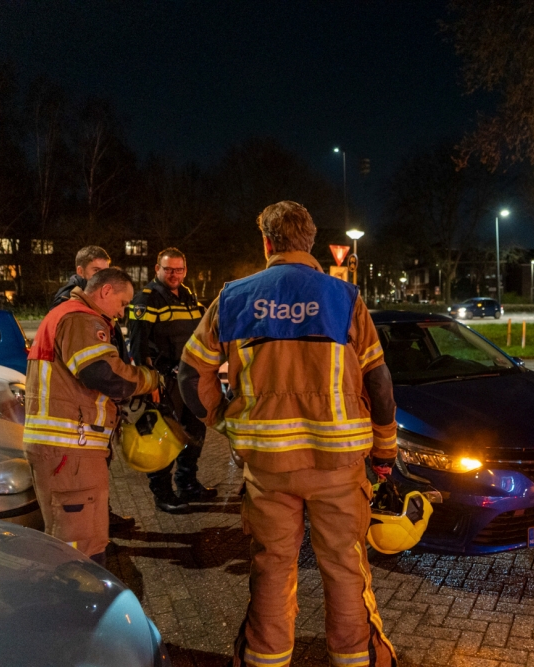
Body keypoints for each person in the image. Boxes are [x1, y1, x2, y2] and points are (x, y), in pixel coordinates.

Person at [179, 201, 398, 667]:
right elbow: (378, 380)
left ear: (267, 243)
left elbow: (188, 374)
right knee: (343, 567)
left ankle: (265, 659)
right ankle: (355, 659)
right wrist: (384, 449)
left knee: (272, 567)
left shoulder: (234, 297)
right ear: (311, 243)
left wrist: (223, 420)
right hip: (337, 466)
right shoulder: (345, 298)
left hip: (268, 468)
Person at [24, 268, 159, 564]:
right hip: (70, 449)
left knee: (86, 534)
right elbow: (104, 373)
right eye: (123, 303)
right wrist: (150, 380)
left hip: (69, 449)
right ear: (106, 291)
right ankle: (76, 605)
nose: (123, 313)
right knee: (78, 546)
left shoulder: (68, 315)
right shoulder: (80, 319)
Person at [126, 247, 213, 512]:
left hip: (190, 379)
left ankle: (187, 484)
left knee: (195, 431)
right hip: (164, 382)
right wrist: (148, 383)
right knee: (165, 437)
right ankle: (163, 494)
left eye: (178, 269)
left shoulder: (190, 298)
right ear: (157, 269)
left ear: (185, 270)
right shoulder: (147, 300)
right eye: (168, 269)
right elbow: (138, 347)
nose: (174, 274)